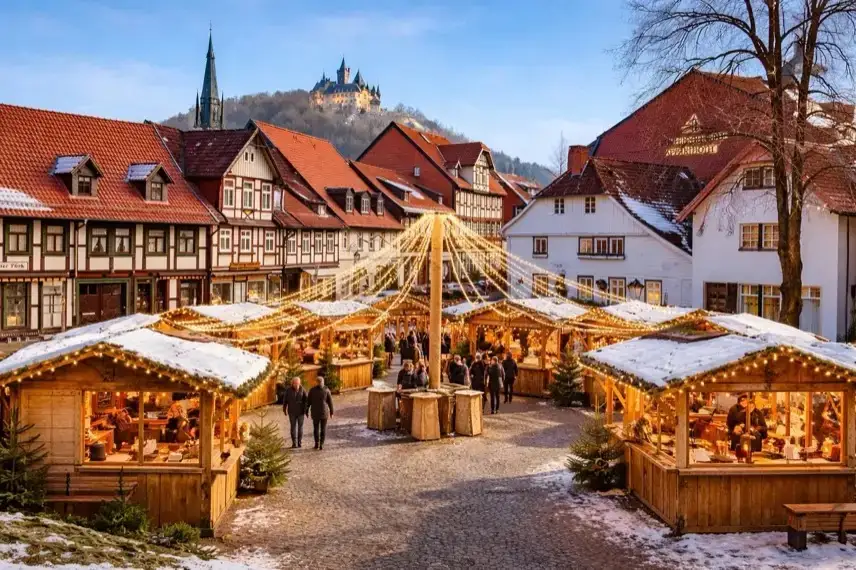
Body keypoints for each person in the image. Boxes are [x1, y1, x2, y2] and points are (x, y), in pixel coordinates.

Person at [307, 376, 334, 450]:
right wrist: (331, 412)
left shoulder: (312, 390)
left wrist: (306, 411)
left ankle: (316, 443)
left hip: (315, 413)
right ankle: (321, 444)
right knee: (323, 429)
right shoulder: (326, 390)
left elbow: (308, 402)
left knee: (316, 429)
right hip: (324, 413)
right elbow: (330, 402)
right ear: (323, 382)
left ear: (316, 382)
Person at [282, 377, 308, 448]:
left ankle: (299, 442)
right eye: (295, 384)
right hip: (292, 412)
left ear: (300, 383)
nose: (297, 385)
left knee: (300, 427)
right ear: (292, 383)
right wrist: (284, 410)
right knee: (293, 427)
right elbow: (285, 401)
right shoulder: (288, 390)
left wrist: (306, 410)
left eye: (298, 384)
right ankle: (294, 443)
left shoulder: (302, 389)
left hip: (300, 412)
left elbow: (306, 400)